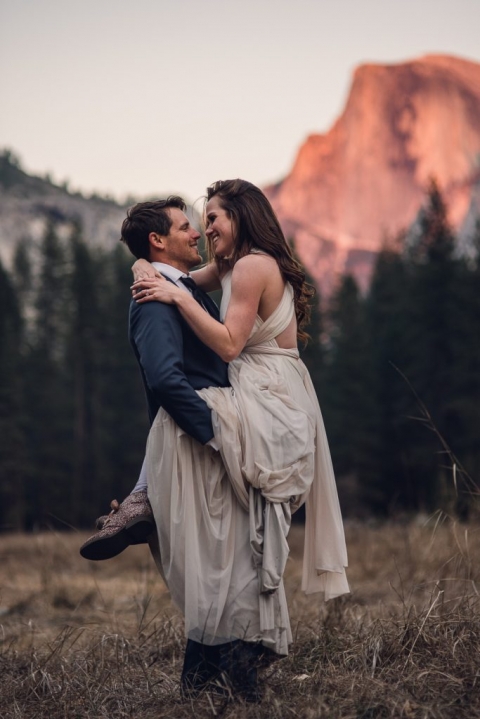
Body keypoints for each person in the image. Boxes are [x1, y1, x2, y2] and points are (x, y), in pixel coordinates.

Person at [130, 180, 349, 654]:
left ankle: (142, 501)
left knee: (180, 417)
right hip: (257, 386)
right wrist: (141, 263)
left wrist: (180, 301)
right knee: (185, 423)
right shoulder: (230, 267)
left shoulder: (251, 266)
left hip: (272, 394)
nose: (206, 229)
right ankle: (144, 500)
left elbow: (229, 344)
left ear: (241, 217)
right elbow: (171, 272)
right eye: (200, 221)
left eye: (213, 218)